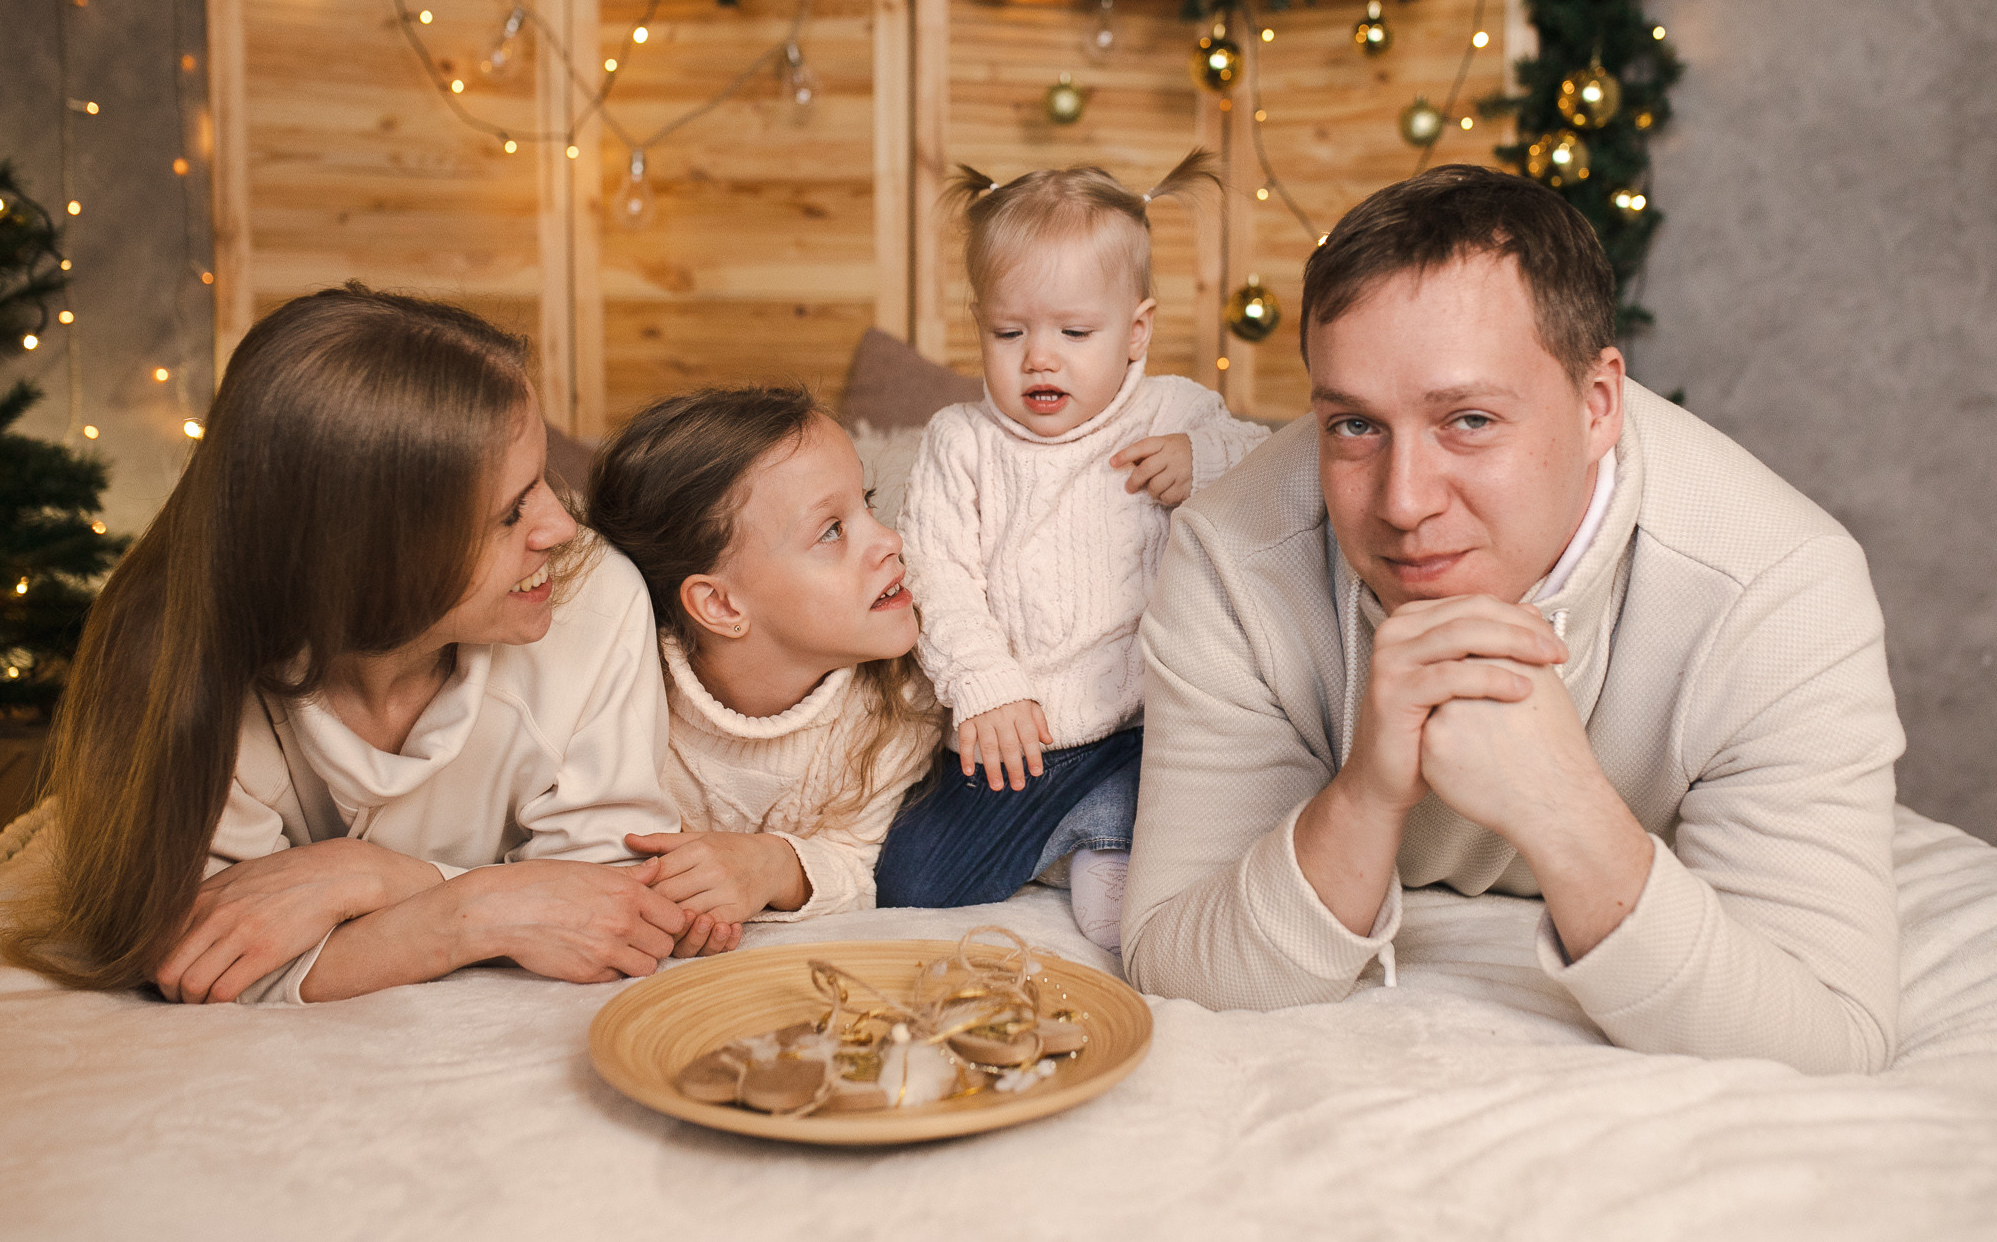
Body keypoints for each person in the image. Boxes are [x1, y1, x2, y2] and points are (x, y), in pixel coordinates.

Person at [1124, 165, 1903, 1075]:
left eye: (1470, 420)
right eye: (1354, 427)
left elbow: (1833, 1037)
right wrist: (1368, 795)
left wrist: (1564, 805)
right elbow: (1171, 956)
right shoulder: (1231, 552)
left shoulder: (1779, 585)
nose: (1405, 502)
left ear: (1598, 403)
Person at [0, 286, 690, 1005]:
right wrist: (476, 913)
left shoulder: (594, 600)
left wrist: (373, 878)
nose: (563, 529)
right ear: (367, 559)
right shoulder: (170, 659)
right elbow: (199, 954)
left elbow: (608, 910)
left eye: (545, 479)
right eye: (511, 512)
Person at [876, 152, 1272, 949]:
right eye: (1009, 332)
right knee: (908, 881)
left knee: (1218, 805)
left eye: (1074, 332)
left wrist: (1209, 461)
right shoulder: (963, 442)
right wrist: (986, 686)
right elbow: (936, 575)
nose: (1039, 357)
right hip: (1017, 735)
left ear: (1138, 331)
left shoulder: (1175, 412)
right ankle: (1073, 831)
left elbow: (1276, 467)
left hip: (1141, 730)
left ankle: (1105, 838)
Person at [586, 386, 940, 940]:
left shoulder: (901, 703)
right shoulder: (624, 693)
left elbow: (859, 862)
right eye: (831, 531)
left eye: (867, 502)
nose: (890, 539)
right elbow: (590, 843)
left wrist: (774, 867)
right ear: (721, 605)